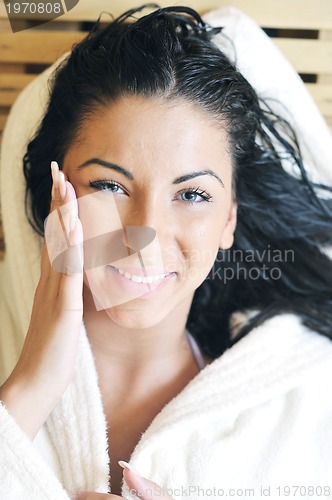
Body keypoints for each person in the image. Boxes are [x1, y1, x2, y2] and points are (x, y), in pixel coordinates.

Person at [0, 4, 332, 500]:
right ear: (56, 190)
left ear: (229, 220)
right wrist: (29, 390)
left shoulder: (308, 407)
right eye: (110, 185)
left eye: (193, 194)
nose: (146, 232)